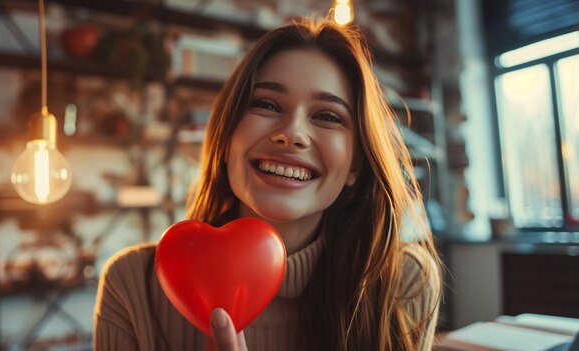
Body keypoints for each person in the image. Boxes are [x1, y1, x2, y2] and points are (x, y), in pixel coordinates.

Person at [94, 18, 442, 351]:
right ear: (227, 141)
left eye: (328, 116)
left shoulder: (402, 285)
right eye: (266, 104)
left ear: (355, 164)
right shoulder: (132, 285)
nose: (291, 133)